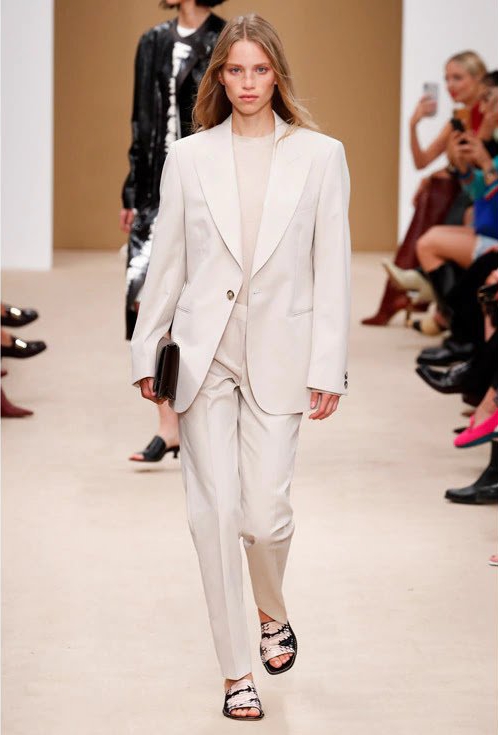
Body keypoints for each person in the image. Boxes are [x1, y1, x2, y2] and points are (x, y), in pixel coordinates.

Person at [130, 13, 351, 720]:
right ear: (219, 77)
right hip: (206, 356)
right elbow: (168, 262)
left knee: (264, 518)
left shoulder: (321, 156)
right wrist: (147, 349)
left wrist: (329, 366)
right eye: (235, 70)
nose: (248, 83)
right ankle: (235, 674)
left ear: (277, 74)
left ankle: (272, 608)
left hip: (282, 356)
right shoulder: (190, 157)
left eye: (259, 69)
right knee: (215, 514)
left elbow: (333, 268)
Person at [120, 0, 226, 462]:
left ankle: (194, 417)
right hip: (154, 190)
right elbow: (140, 121)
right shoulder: (152, 41)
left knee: (193, 301)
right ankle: (168, 427)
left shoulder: (225, 38)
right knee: (144, 298)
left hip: (206, 186)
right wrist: (132, 192)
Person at [362, 50, 488, 327]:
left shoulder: (488, 115)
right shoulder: (459, 117)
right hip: (467, 190)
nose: (450, 85)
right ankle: (419, 287)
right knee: (433, 191)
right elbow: (422, 161)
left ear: (478, 78)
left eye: (458, 78)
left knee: (436, 192)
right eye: (447, 79)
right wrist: (413, 124)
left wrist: (439, 173)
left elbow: (476, 163)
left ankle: (420, 289)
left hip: (477, 195)